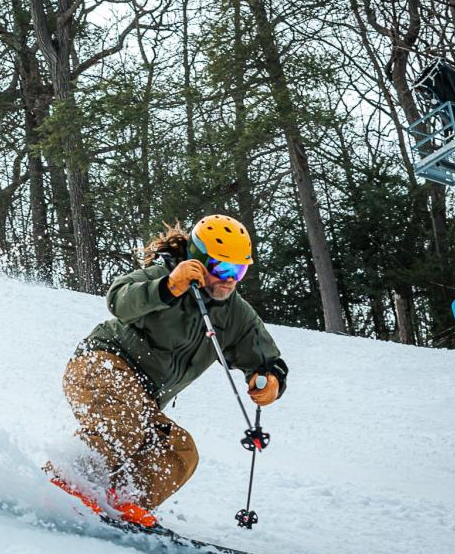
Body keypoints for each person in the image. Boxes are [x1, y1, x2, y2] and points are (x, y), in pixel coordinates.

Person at [48, 215, 288, 528]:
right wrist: (167, 287)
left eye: (239, 270)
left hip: (142, 398)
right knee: (123, 424)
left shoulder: (234, 313)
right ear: (198, 262)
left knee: (180, 452)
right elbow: (119, 299)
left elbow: (265, 356)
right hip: (100, 365)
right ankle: (61, 485)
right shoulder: (165, 276)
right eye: (223, 269)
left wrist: (270, 381)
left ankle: (121, 500)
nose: (230, 279)